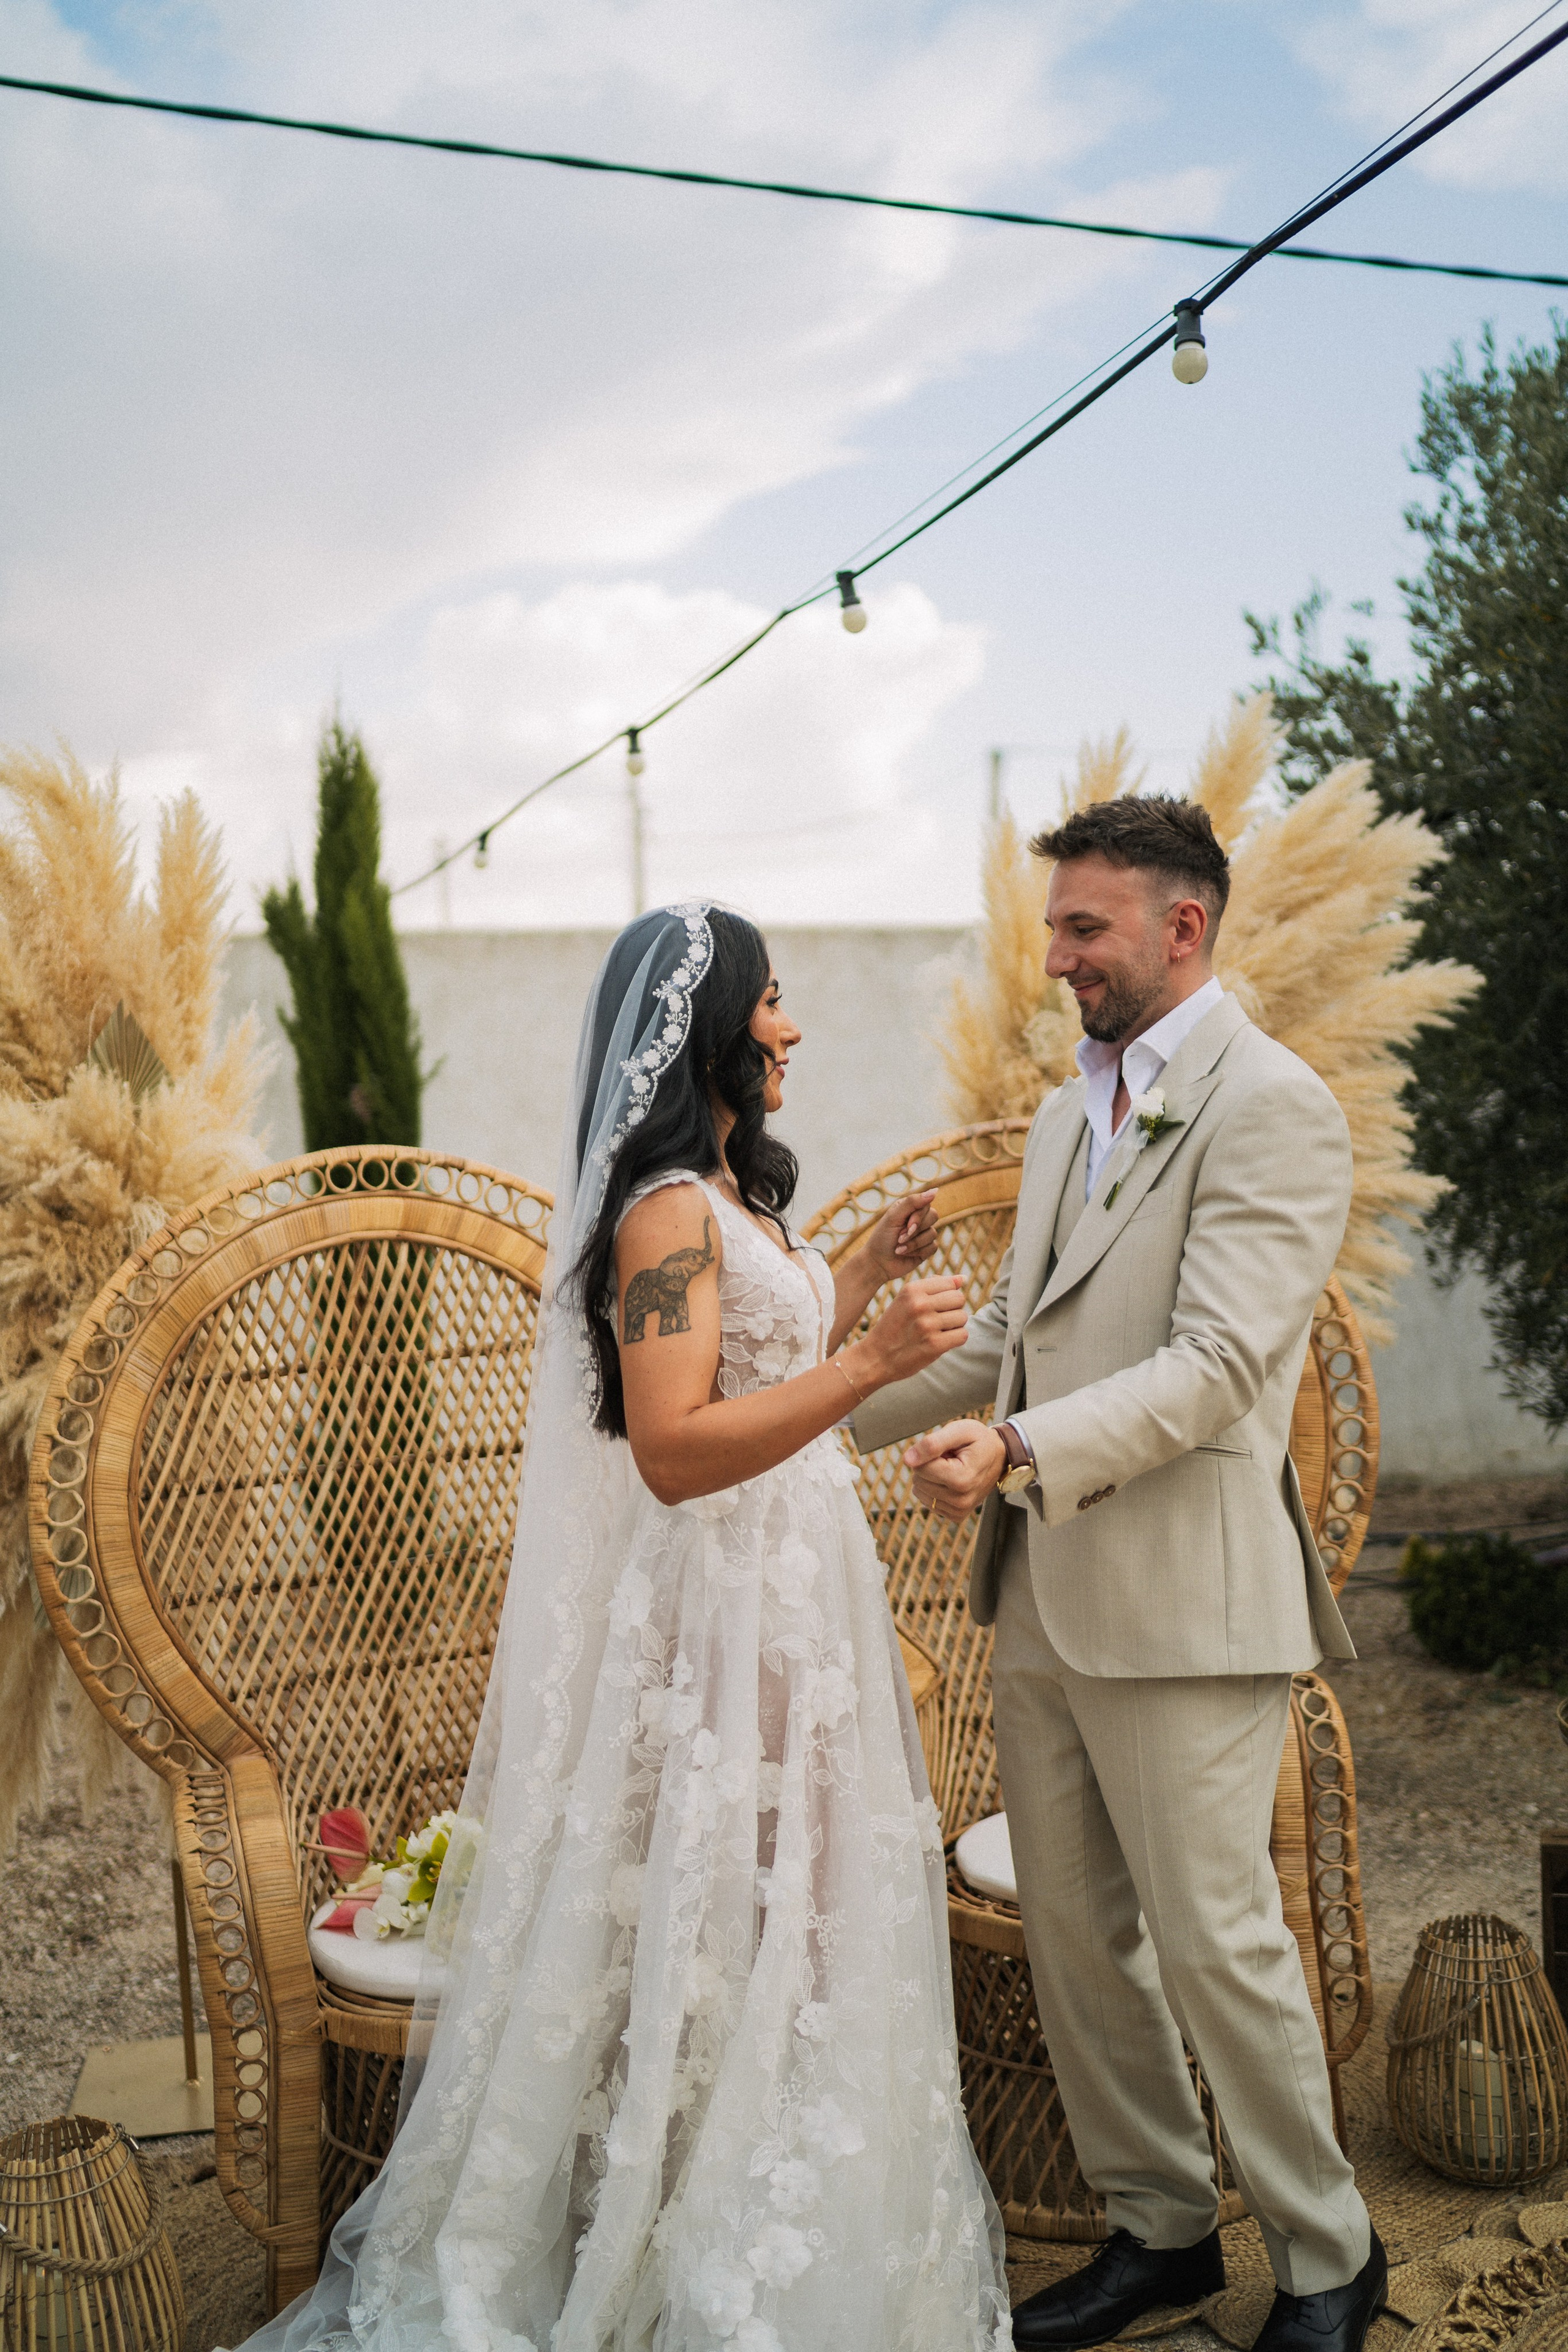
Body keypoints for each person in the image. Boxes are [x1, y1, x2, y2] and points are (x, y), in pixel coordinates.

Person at [239, 903, 1011, 2352]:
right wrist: (868, 1360)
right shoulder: (662, 1208)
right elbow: (672, 1444)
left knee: (810, 1925)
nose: (791, 1026)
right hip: (725, 1623)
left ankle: (790, 2229)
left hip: (792, 1610)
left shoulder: (724, 1192)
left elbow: (744, 1349)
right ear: (715, 1027)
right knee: (752, 1923)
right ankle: (704, 2259)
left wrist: (844, 1282)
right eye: (773, 1001)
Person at [850, 799, 1386, 2352]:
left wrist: (1013, 1451)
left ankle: (1327, 2255)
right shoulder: (1057, 1113)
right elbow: (995, 1339)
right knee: (1081, 1946)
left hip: (1184, 1604)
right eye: (1053, 927)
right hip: (1046, 1602)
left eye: (1083, 927)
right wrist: (799, 1422)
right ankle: (1156, 2232)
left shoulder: (1271, 1106)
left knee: (1214, 1942)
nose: (1055, 955)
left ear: (1179, 928)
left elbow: (1220, 1364)